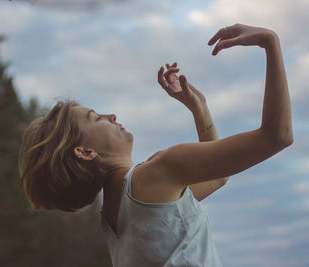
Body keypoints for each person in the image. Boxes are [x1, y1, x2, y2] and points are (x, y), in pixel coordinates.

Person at [18, 23, 293, 266]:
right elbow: (276, 136)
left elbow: (219, 177)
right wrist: (270, 42)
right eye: (95, 118)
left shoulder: (113, 218)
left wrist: (200, 108)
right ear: (86, 152)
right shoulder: (158, 171)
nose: (110, 115)